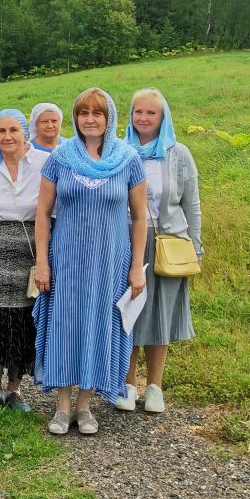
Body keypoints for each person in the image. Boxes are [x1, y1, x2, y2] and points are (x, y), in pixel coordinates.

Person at [33, 88, 147, 436]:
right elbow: (42, 212)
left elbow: (140, 217)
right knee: (65, 324)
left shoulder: (128, 159)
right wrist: (42, 262)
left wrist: (136, 265)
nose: (90, 119)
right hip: (66, 258)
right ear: (76, 118)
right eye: (84, 113)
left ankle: (85, 405)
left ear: (109, 118)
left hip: (110, 261)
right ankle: (62, 404)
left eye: (98, 113)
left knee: (100, 323)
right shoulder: (60, 157)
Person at [118, 88, 202, 413]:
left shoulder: (178, 154)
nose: (143, 118)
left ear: (163, 116)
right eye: (138, 112)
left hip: (169, 243)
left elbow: (191, 204)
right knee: (129, 312)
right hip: (126, 240)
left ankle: (154, 387)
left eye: (150, 113)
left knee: (160, 315)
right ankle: (126, 383)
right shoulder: (120, 151)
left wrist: (196, 247)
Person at [0, 109, 45, 412]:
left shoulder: (42, 163)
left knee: (21, 320)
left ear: (25, 132)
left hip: (29, 247)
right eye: (1, 131)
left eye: (14, 130)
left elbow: (49, 208)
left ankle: (14, 389)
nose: (7, 136)